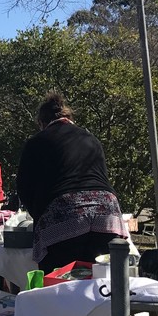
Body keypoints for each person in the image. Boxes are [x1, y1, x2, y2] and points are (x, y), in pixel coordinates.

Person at [18, 92, 130, 273]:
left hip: (65, 211)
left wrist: (40, 214)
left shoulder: (37, 142)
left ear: (41, 122)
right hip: (107, 213)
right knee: (102, 279)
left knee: (60, 281)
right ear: (69, 117)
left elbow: (25, 187)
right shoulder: (91, 139)